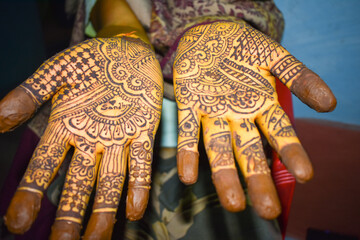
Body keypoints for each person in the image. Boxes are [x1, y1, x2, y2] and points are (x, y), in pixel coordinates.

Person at [0, 0, 336, 239]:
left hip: (220, 135)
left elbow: (258, 9)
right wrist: (124, 33)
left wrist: (213, 28)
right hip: (104, 127)